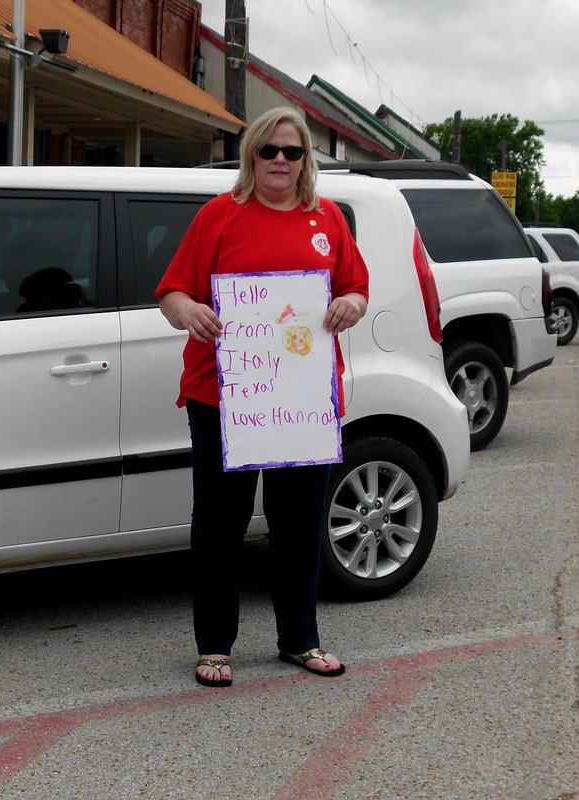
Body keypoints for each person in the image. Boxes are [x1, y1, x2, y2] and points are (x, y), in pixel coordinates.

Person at [155, 107, 370, 688]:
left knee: (299, 522)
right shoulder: (219, 216)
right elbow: (172, 292)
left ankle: (300, 639)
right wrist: (190, 311)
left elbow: (354, 286)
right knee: (220, 523)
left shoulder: (327, 218)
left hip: (303, 399)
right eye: (269, 150)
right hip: (224, 397)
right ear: (252, 155)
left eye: (292, 152)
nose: (280, 161)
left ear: (307, 161)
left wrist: (352, 304)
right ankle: (214, 646)